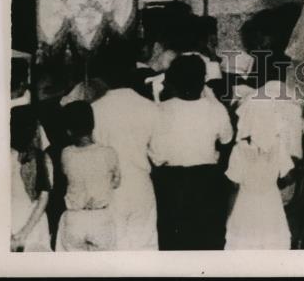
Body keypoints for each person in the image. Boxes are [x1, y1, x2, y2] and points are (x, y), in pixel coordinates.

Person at [149, 55, 234, 250]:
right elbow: (227, 142)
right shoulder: (216, 109)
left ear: (173, 80)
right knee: (209, 244)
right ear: (203, 79)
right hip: (208, 183)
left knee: (173, 244)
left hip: (172, 184)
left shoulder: (161, 110)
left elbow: (155, 156)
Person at [92, 55, 159, 250]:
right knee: (145, 246)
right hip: (141, 184)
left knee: (114, 248)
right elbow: (159, 155)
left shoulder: (95, 109)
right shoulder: (150, 107)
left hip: (109, 187)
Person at [225, 98, 295, 250]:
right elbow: (289, 176)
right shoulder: (278, 146)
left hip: (245, 206)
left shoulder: (239, 150)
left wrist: (229, 215)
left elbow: (234, 186)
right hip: (271, 205)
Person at [56, 101, 121, 252]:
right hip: (100, 218)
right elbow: (116, 182)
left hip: (74, 219)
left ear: (69, 131)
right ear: (93, 125)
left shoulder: (66, 154)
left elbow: (66, 173)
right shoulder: (108, 153)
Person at [10, 106, 52, 252]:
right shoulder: (40, 158)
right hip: (35, 223)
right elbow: (43, 198)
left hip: (11, 220)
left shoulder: (0, 159)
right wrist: (24, 232)